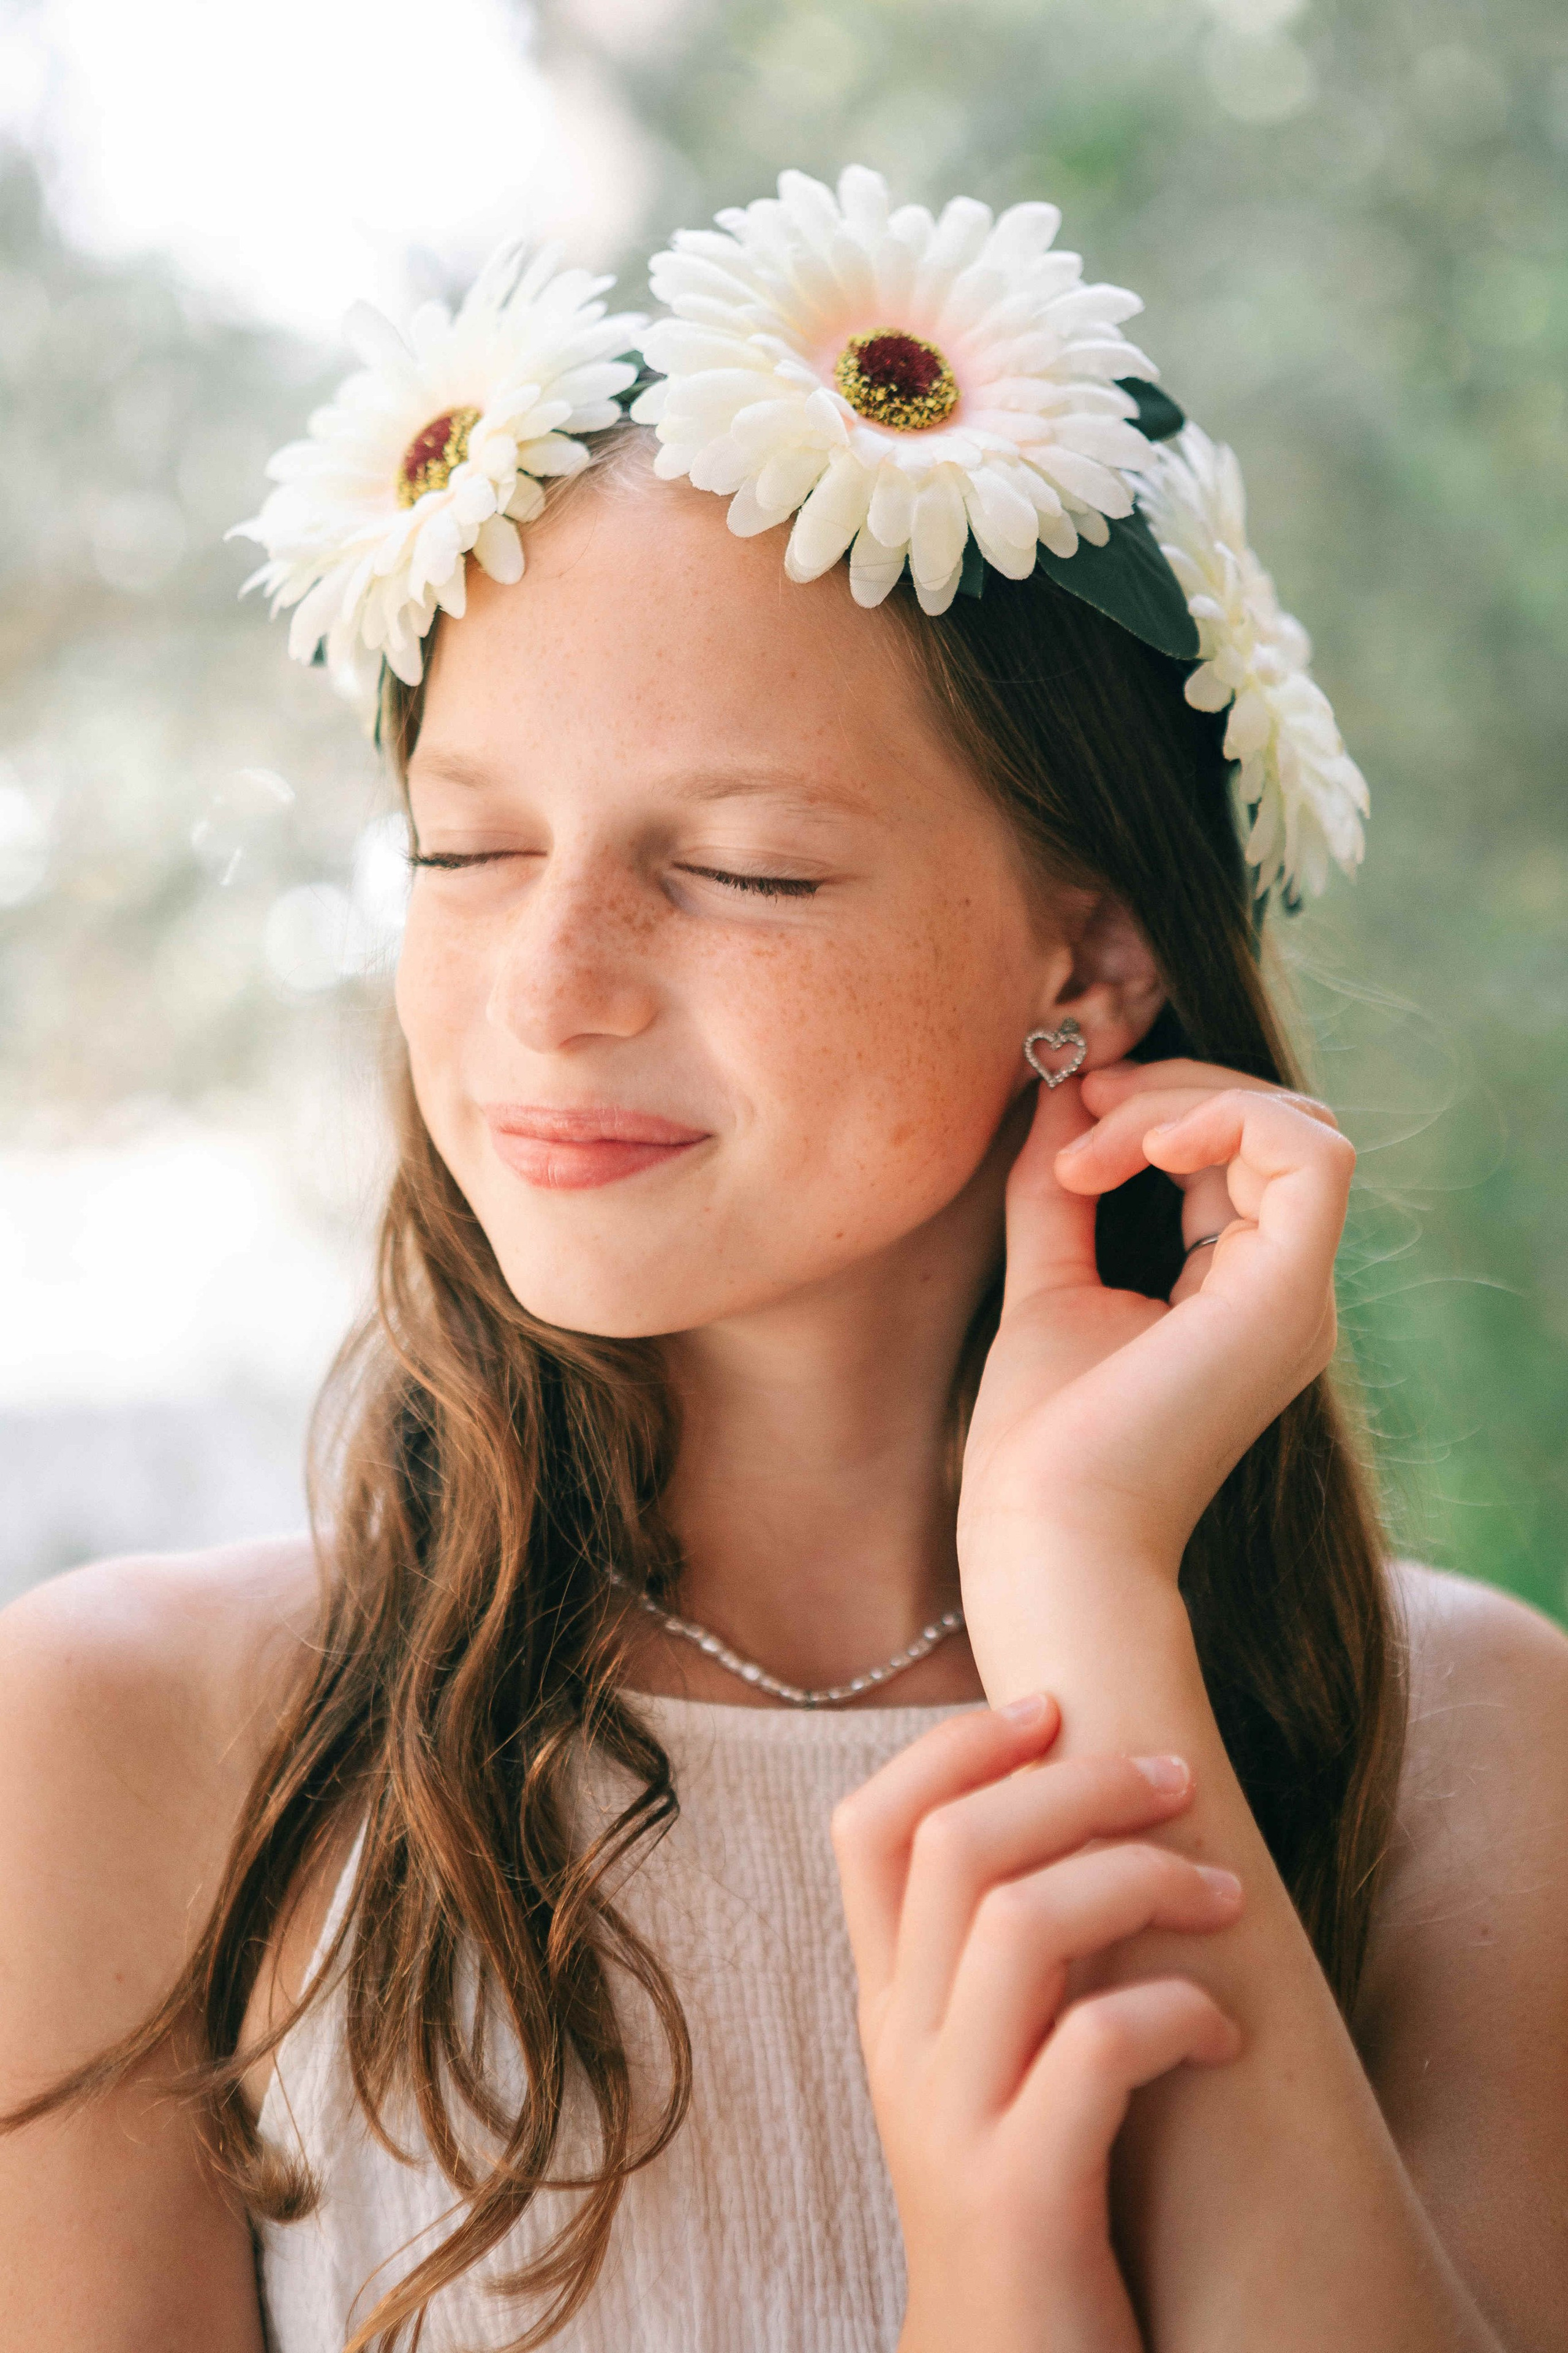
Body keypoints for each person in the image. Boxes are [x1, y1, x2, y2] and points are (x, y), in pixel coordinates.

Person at [2, 168, 1565, 2353]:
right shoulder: (131, 1743)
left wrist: (1080, 1580)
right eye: (466, 849)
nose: (550, 986)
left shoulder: (1469, 1745)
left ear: (1094, 955)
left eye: (738, 870)